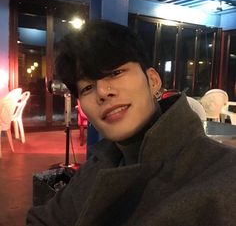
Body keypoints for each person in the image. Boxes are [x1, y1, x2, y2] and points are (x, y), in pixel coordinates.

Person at [27, 20, 236, 226]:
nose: (102, 92)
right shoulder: (100, 164)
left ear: (153, 81)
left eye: (115, 73)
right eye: (87, 88)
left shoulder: (222, 175)